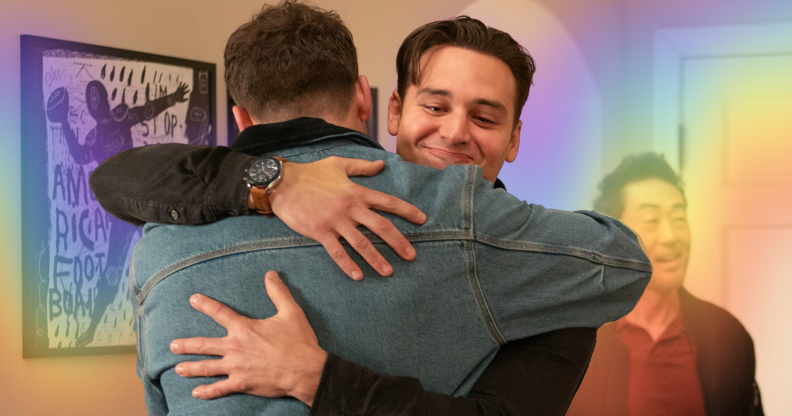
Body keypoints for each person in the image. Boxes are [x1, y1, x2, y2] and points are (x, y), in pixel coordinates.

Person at [91, 2, 652, 415]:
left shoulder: (546, 273)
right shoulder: (229, 199)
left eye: (484, 118)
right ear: (381, 105)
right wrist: (278, 183)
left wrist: (320, 379)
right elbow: (116, 178)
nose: (455, 132)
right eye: (436, 105)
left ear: (514, 139)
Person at [566, 152, 763, 416]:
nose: (671, 236)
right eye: (652, 220)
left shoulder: (727, 335)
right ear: (616, 237)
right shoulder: (578, 337)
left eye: (679, 218)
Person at [45, 79, 189, 347]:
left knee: (169, 255)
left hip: (146, 203)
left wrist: (172, 98)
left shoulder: (121, 116)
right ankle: (93, 326)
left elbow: (147, 109)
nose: (96, 104)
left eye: (97, 98)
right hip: (124, 211)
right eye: (92, 100)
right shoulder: (94, 135)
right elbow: (78, 155)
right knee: (113, 269)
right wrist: (63, 121)